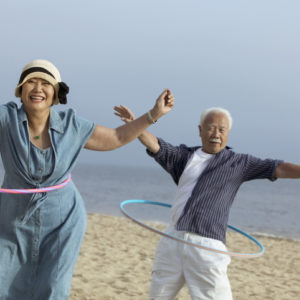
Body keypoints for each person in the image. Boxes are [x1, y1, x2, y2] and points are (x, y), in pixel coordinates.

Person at [0, 59, 175, 300]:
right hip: (13, 220)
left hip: (63, 221)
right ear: (21, 90)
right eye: (31, 82)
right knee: (4, 283)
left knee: (53, 289)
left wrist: (154, 114)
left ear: (55, 94)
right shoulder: (5, 119)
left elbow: (117, 136)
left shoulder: (72, 125)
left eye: (45, 83)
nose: (38, 88)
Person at [114, 104, 300, 300]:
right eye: (211, 127)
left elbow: (278, 168)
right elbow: (155, 144)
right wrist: (135, 125)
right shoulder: (183, 156)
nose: (216, 134)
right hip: (172, 240)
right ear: (200, 130)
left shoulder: (239, 163)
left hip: (208, 246)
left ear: (228, 133)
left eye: (222, 129)